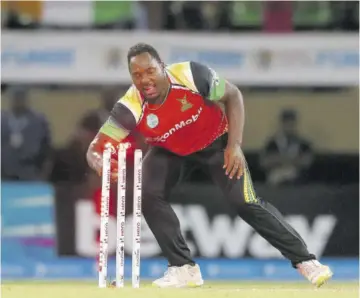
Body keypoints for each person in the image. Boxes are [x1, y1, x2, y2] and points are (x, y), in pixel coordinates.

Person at [86, 43, 333, 288]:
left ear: (162, 66)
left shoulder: (189, 75)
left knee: (245, 202)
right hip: (169, 150)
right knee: (146, 194)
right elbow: (95, 148)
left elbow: (233, 95)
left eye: (150, 71)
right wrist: (98, 161)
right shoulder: (130, 105)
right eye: (137, 75)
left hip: (216, 143)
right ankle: (183, 268)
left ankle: (306, 261)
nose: (145, 80)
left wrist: (234, 146)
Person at [1, 87, 52, 181]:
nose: (18, 100)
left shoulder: (38, 121)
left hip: (29, 173)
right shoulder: (2, 121)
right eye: (15, 97)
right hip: (4, 174)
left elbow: (47, 150)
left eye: (21, 97)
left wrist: (42, 176)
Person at [260, 109, 313, 185]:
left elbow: (307, 162)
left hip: (298, 183)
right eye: (287, 124)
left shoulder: (303, 144)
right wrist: (292, 159)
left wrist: (279, 159)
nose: (289, 127)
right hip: (276, 182)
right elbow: (264, 162)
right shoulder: (272, 144)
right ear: (282, 125)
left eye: (291, 124)